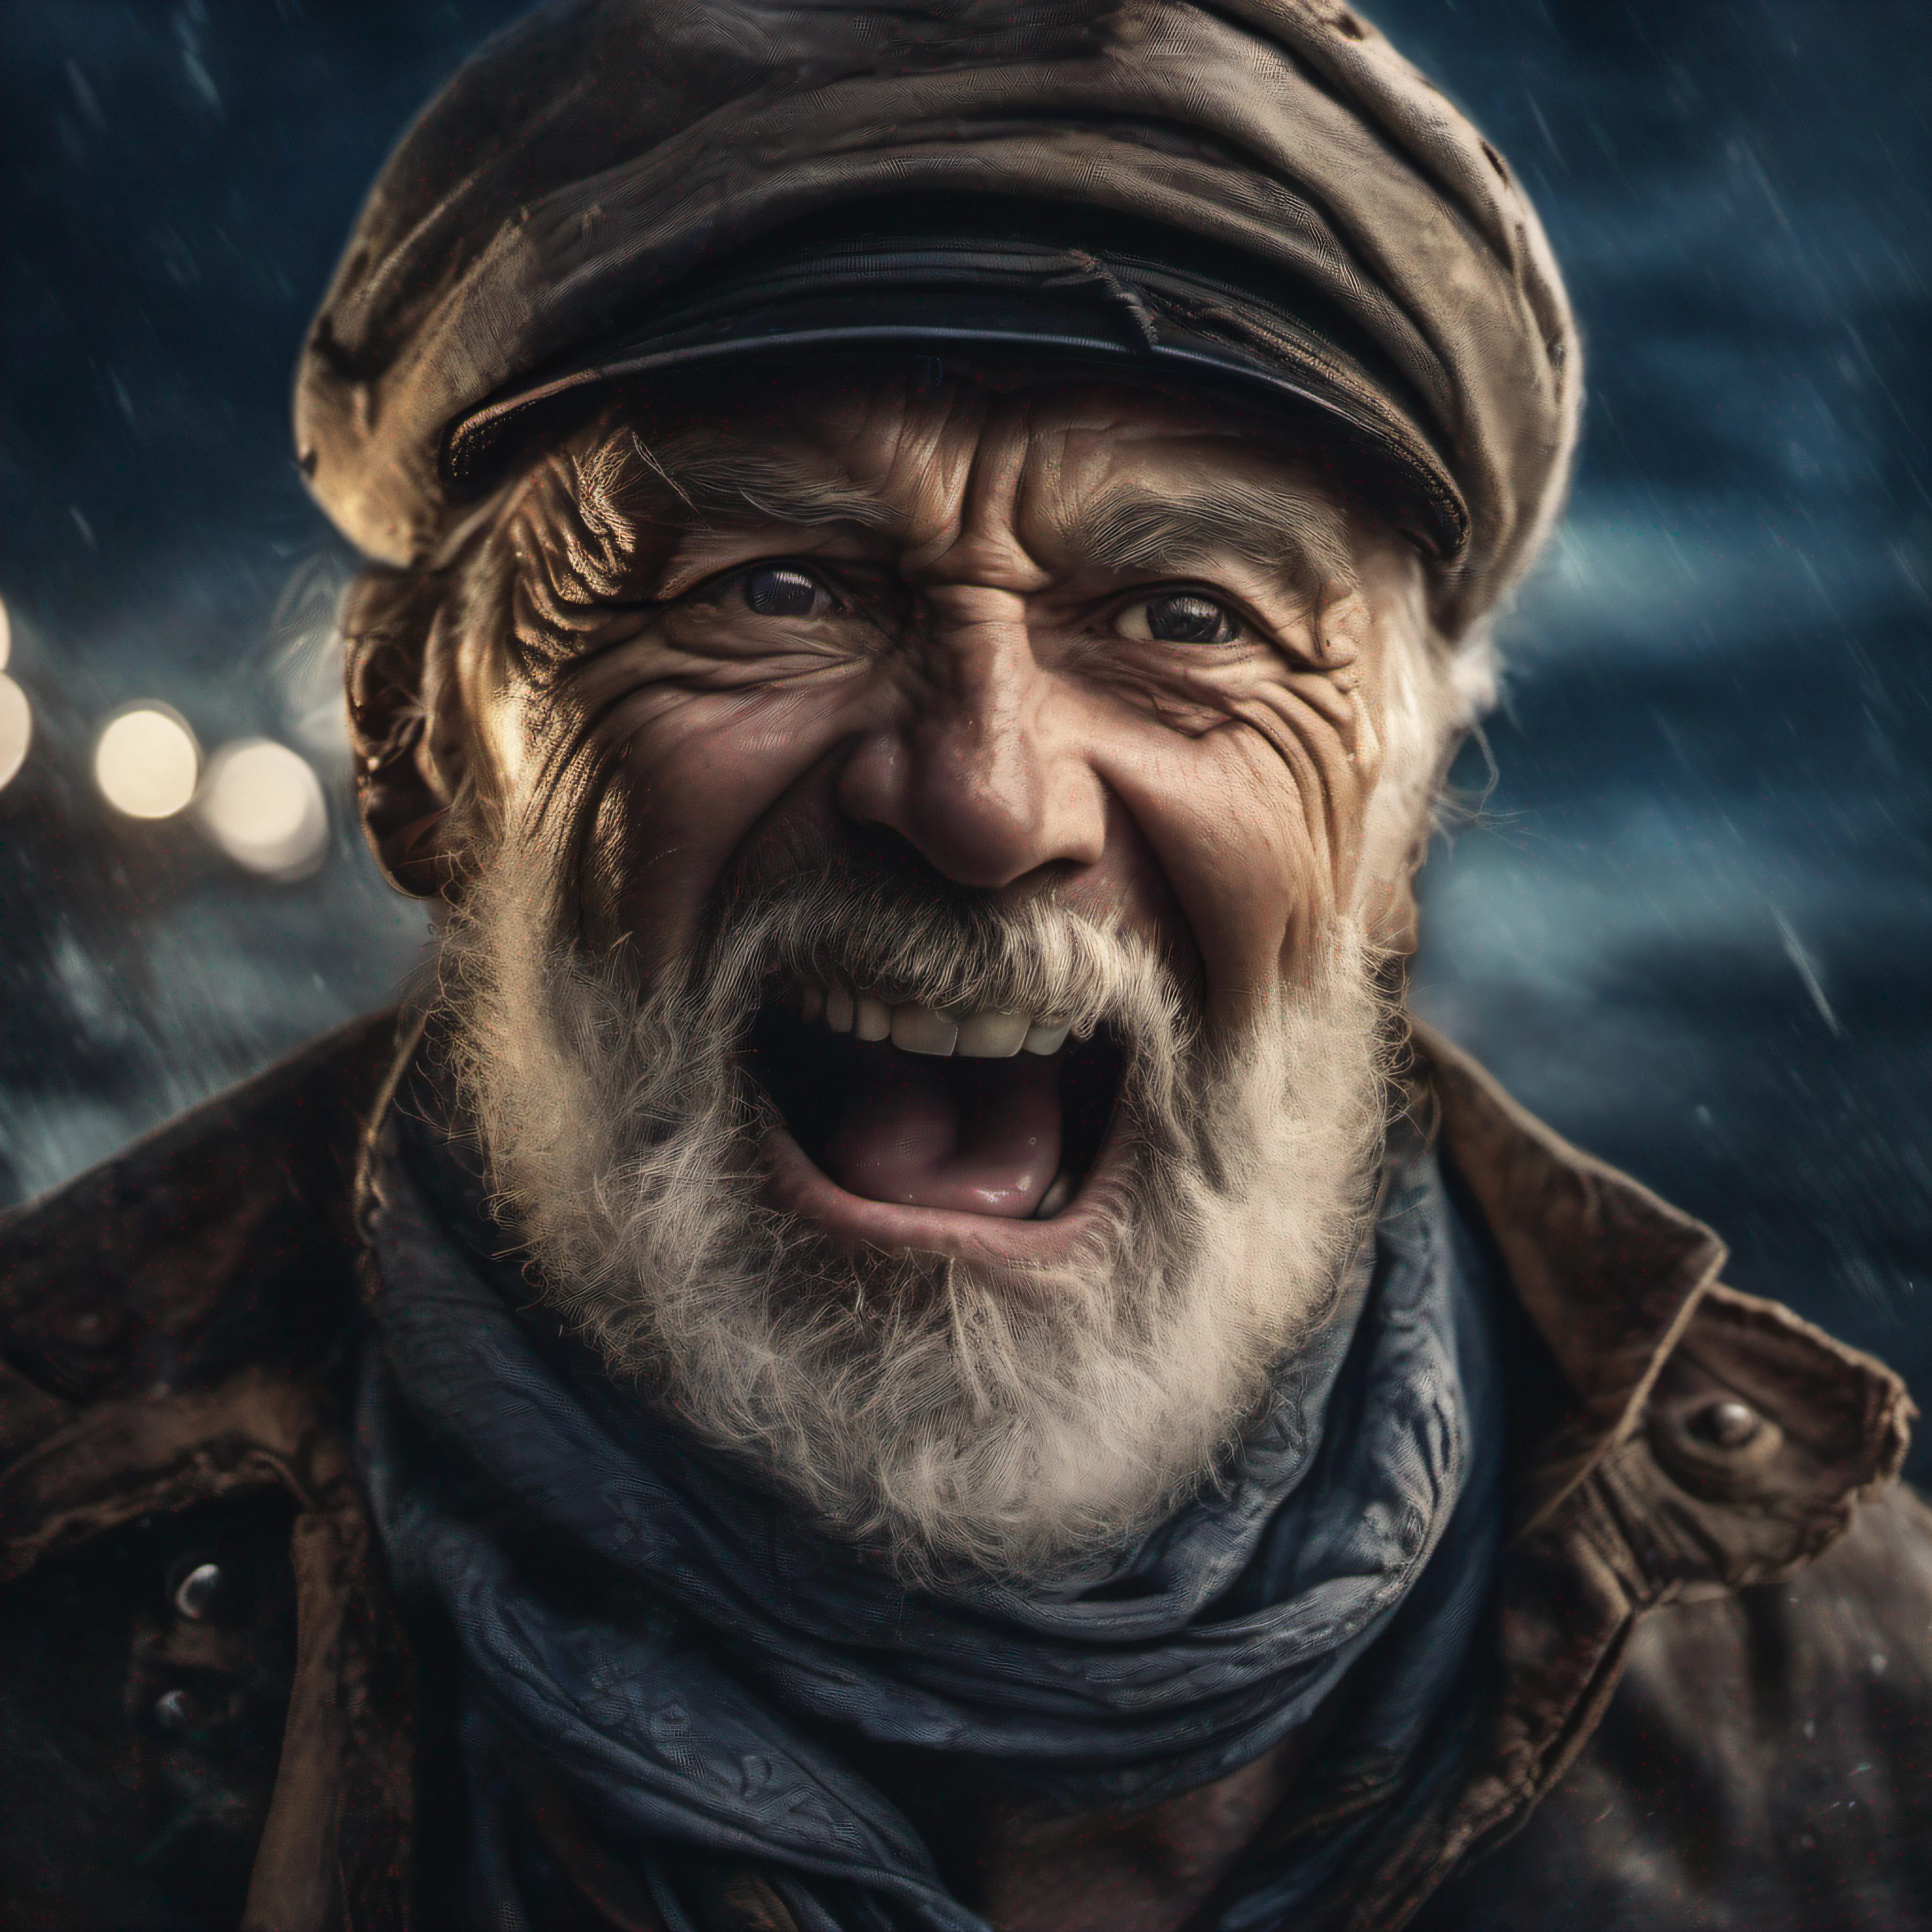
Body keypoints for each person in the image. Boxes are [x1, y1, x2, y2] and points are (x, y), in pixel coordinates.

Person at [3, 3, 1928, 1928]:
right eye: (777, 584)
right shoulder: (44, 1606)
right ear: (420, 748)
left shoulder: (1866, 1709)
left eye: (1188, 616)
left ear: (1395, 834)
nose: (987, 800)